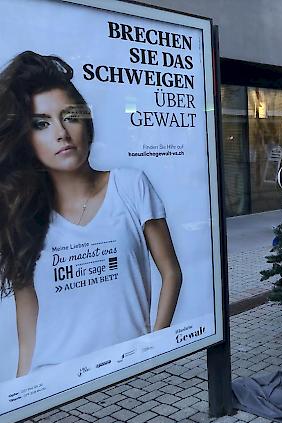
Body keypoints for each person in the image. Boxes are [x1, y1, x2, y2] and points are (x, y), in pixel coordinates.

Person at [0, 51, 182, 376]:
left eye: (69, 116)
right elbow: (27, 328)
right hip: (54, 380)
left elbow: (171, 272)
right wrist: (23, 394)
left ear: (85, 121)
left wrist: (156, 347)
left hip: (129, 373)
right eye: (41, 124)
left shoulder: (130, 185)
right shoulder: (24, 219)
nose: (61, 132)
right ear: (27, 140)